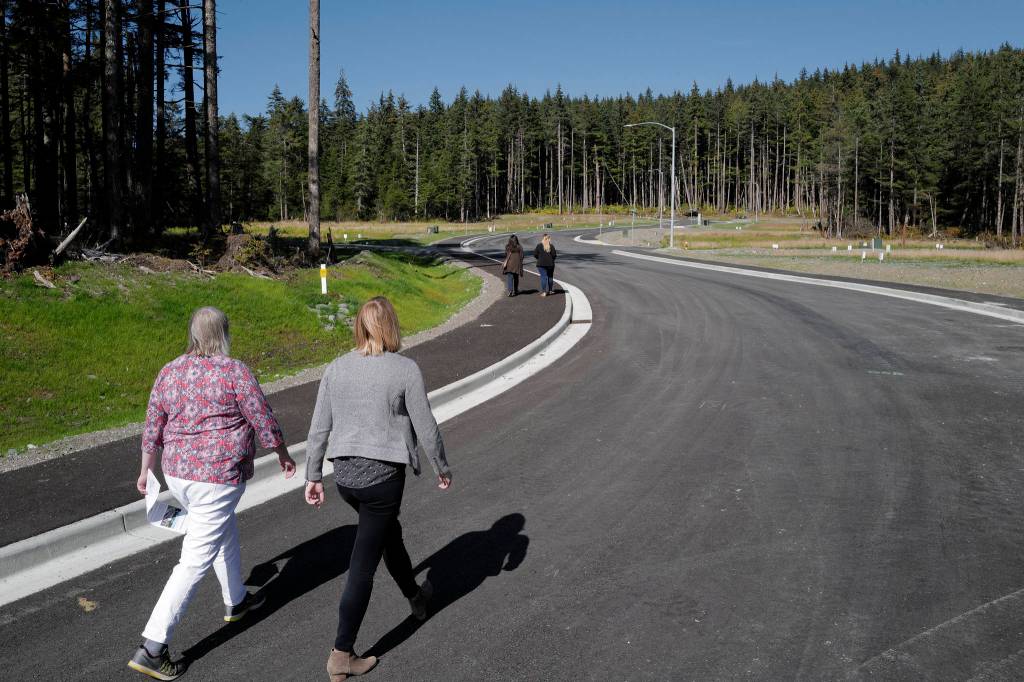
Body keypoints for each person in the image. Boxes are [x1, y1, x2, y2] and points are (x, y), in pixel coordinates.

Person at [128, 307, 296, 680]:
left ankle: (236, 599)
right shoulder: (234, 371)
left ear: (192, 334)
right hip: (217, 479)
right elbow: (261, 416)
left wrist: (145, 469)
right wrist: (282, 453)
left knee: (223, 530)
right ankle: (152, 647)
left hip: (179, 475)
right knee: (193, 561)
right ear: (224, 333)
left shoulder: (170, 371)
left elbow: (153, 423)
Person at [304, 296, 452, 682]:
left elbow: (319, 427)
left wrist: (313, 475)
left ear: (360, 326)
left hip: (346, 479)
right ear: (391, 326)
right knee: (362, 566)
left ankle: (416, 597)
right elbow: (426, 424)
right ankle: (341, 654)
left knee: (389, 534)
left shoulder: (336, 368)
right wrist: (441, 466)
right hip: (383, 480)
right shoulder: (404, 369)